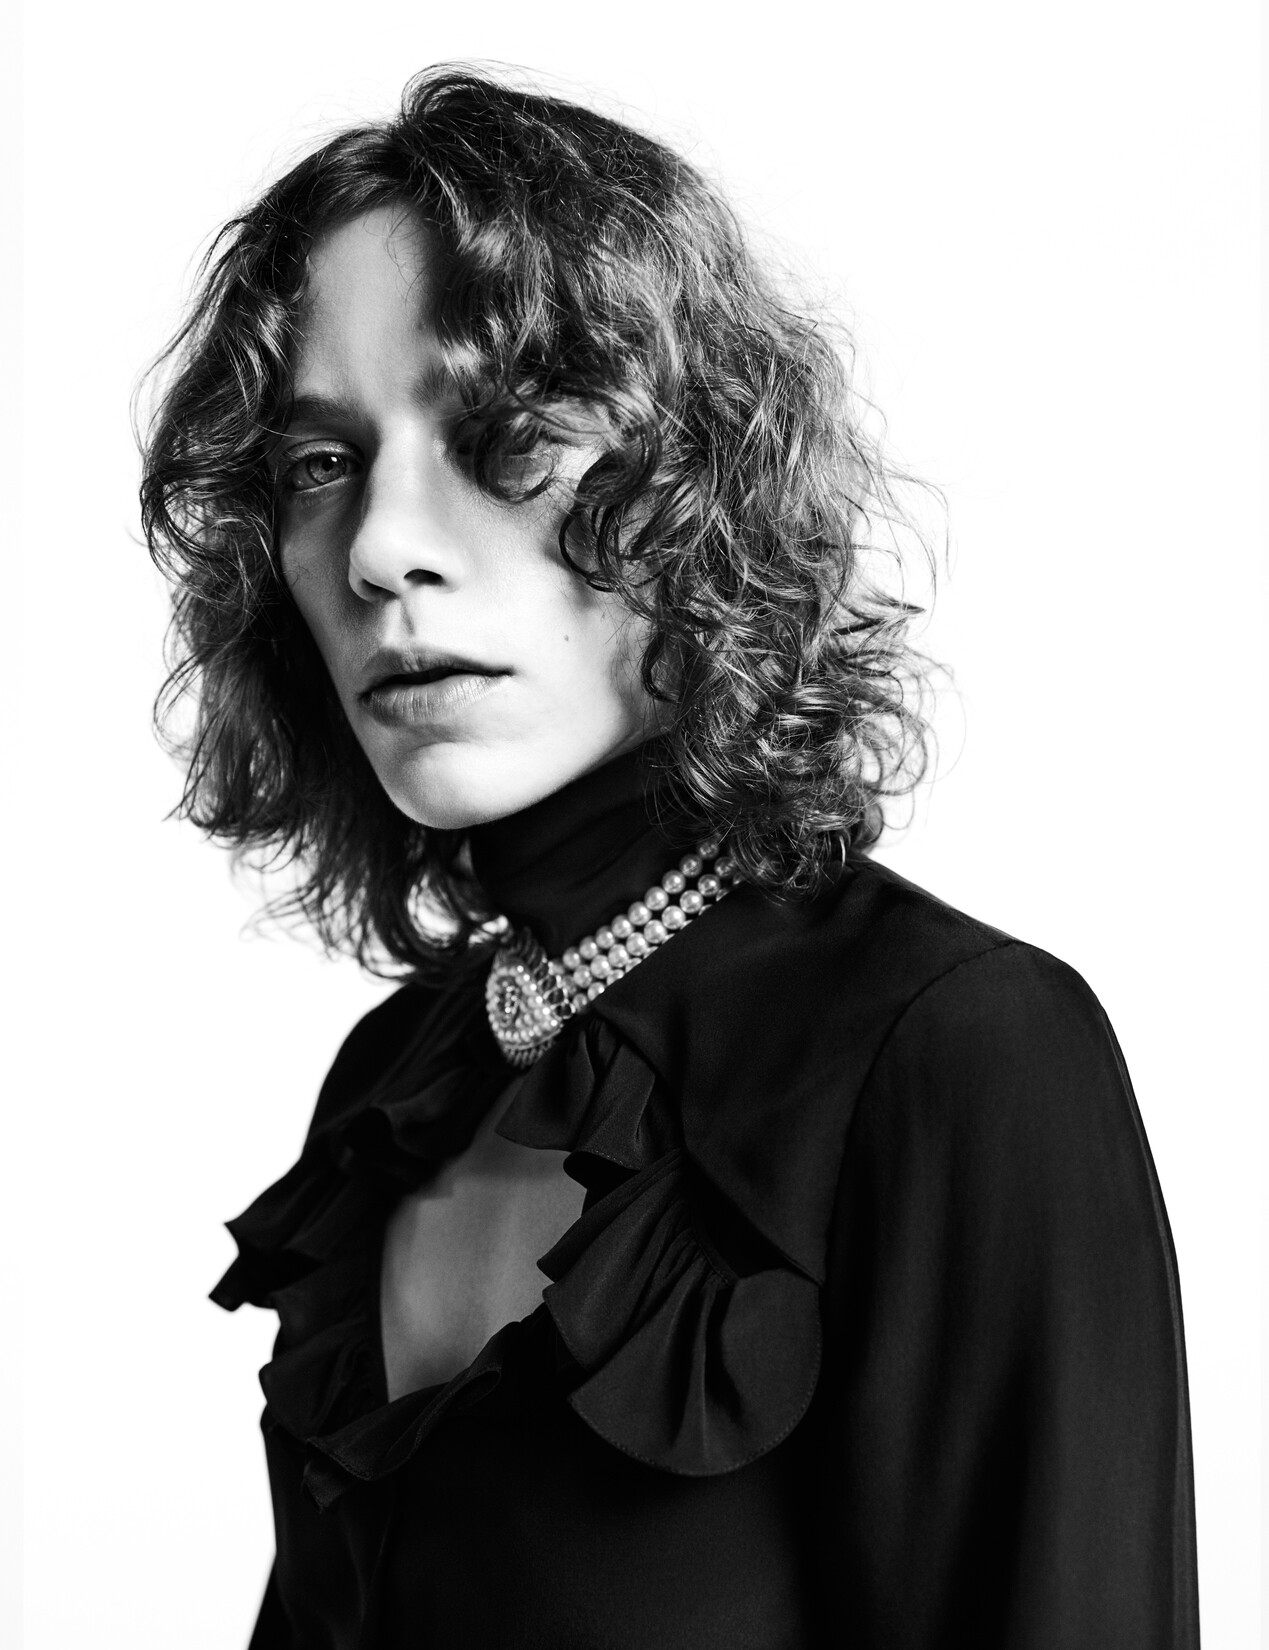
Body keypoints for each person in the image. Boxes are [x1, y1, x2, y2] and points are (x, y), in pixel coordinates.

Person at [140, 65, 1200, 1650]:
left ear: (697, 490)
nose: (380, 549)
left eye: (506, 434)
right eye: (318, 464)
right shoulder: (396, 1086)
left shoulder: (953, 1053)